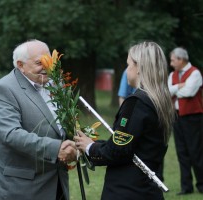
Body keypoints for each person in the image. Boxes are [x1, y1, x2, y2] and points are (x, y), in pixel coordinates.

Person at [75, 41, 175, 200]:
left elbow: (117, 152)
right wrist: (94, 144)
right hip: (147, 189)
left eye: (129, 65)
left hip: (128, 190)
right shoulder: (159, 101)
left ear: (139, 67)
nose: (126, 70)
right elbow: (130, 146)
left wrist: (90, 148)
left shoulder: (136, 103)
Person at [0, 39, 77, 200]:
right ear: (20, 65)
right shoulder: (5, 89)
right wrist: (57, 149)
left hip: (56, 182)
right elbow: (11, 134)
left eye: (49, 61)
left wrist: (77, 140)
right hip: (23, 187)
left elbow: (62, 124)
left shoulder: (56, 83)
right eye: (39, 62)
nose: (47, 67)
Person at [168, 47, 203, 195]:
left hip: (193, 117)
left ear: (181, 60)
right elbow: (166, 91)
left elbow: (189, 92)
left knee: (196, 151)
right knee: (181, 152)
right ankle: (186, 187)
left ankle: (201, 184)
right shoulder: (172, 75)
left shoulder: (195, 73)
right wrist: (178, 87)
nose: (170, 63)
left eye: (172, 60)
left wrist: (174, 90)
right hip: (177, 117)